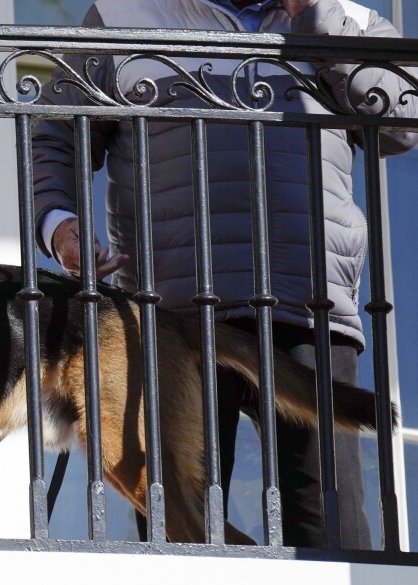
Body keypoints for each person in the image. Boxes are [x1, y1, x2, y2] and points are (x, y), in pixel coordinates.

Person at [32, 0, 418, 548]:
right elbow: (58, 132)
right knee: (182, 528)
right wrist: (62, 225)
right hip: (172, 314)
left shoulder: (346, 16)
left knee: (330, 531)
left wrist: (316, 15)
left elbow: (400, 127)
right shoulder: (123, 13)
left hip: (308, 303)